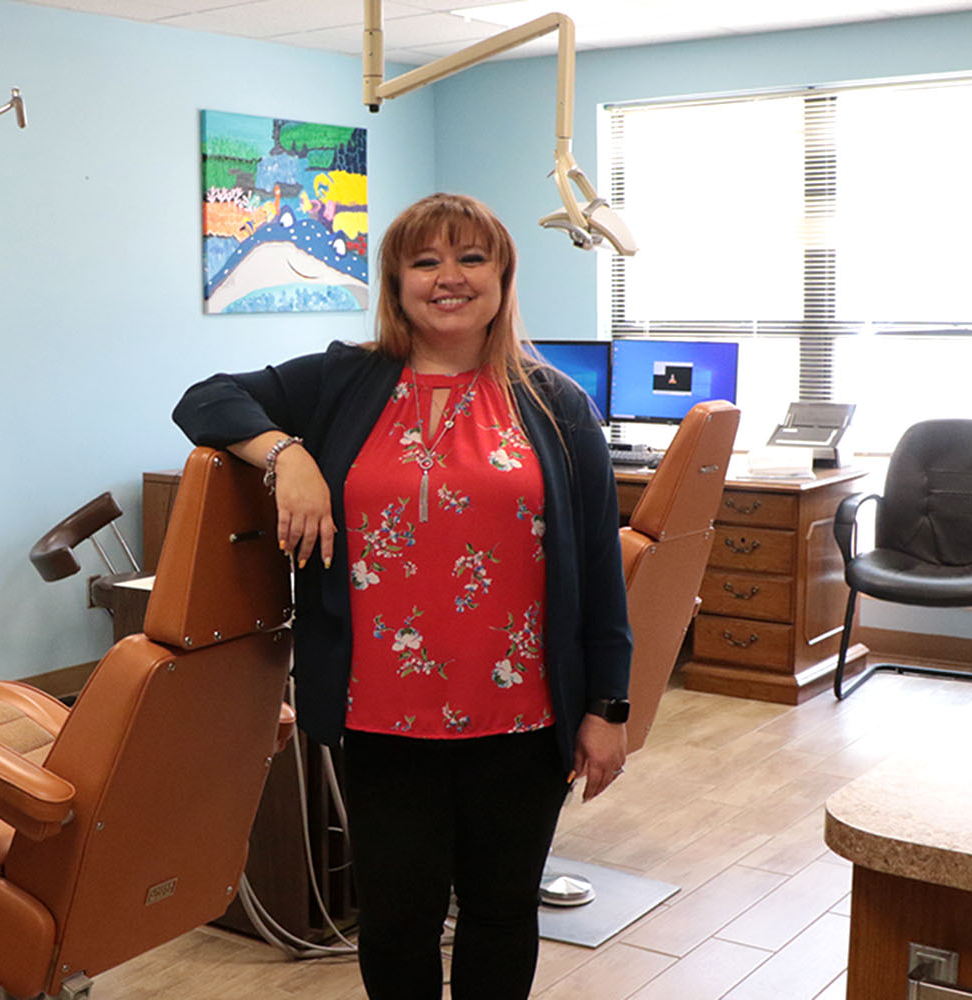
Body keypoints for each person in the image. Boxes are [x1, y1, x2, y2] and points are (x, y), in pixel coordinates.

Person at [172, 193, 632, 1000]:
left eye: (470, 259)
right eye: (426, 261)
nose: (448, 278)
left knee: (499, 914)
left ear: (502, 275)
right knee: (395, 920)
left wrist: (609, 707)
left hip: (524, 717)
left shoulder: (557, 405)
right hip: (378, 713)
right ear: (396, 281)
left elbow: (597, 568)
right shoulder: (345, 380)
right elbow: (204, 399)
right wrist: (288, 454)